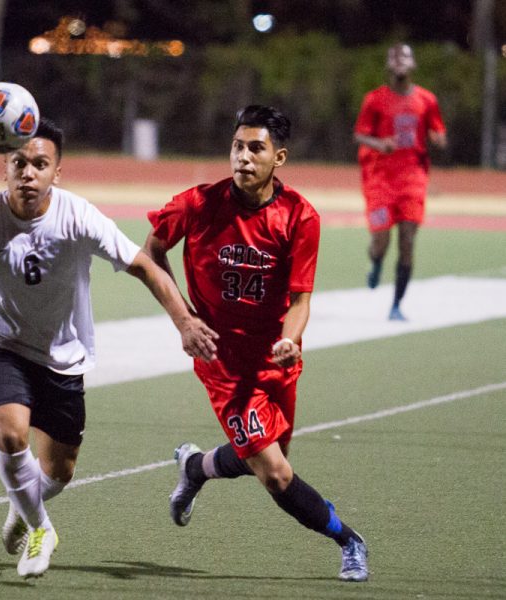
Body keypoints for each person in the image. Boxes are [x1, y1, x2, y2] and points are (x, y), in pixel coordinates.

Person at [0, 118, 217, 578]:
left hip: (63, 355)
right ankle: (41, 528)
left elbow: (144, 266)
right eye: (19, 163)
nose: (29, 172)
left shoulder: (78, 216)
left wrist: (184, 321)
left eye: (40, 164)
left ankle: (22, 507)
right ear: (3, 168)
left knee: (59, 472)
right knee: (11, 436)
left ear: (56, 173)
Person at [144, 105, 369, 582]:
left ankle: (196, 468)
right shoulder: (197, 204)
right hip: (223, 365)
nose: (243, 157)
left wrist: (289, 339)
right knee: (276, 474)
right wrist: (184, 319)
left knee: (261, 459)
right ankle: (349, 540)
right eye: (237, 146)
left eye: (256, 149)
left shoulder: (299, 217)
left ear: (279, 157)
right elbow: (150, 254)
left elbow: (301, 298)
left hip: (276, 361)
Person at [354, 43, 447, 320]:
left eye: (405, 56)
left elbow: (437, 129)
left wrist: (439, 138)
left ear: (413, 64)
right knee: (380, 240)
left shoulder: (426, 100)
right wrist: (379, 144)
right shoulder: (375, 100)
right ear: (388, 65)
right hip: (381, 179)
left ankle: (396, 305)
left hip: (413, 179)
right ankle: (376, 261)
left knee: (407, 241)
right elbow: (359, 135)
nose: (400, 62)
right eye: (394, 57)